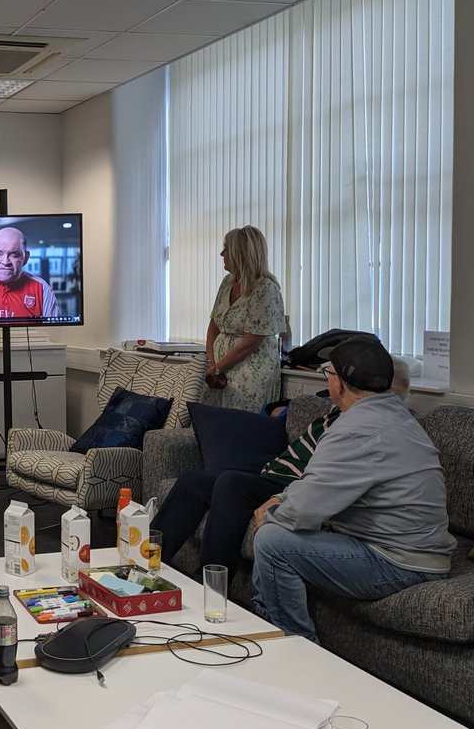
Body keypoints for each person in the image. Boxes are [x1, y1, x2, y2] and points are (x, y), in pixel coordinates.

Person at [251, 336, 455, 641]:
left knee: (272, 541)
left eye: (328, 373)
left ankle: (296, 649)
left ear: (338, 384)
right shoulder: (394, 416)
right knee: (276, 531)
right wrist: (281, 497)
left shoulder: (355, 430)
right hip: (414, 552)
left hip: (400, 562)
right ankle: (265, 626)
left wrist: (274, 514)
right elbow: (320, 485)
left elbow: (303, 511)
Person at [153, 352, 412, 577]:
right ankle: (144, 565)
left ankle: (210, 583)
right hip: (271, 474)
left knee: (231, 483)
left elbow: (326, 481)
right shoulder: (340, 410)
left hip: (292, 486)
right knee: (193, 480)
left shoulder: (372, 427)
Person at [204, 225, 287, 412]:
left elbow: (251, 341)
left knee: (239, 427)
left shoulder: (265, 288)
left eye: (226, 249)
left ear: (240, 253)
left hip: (248, 372)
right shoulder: (227, 282)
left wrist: (218, 369)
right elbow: (213, 327)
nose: (221, 254)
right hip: (218, 370)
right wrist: (211, 365)